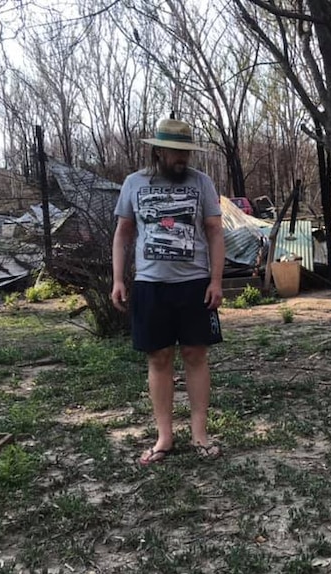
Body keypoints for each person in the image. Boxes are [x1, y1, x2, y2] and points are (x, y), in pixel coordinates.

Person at [111, 117, 225, 465]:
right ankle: (164, 437)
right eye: (175, 152)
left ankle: (200, 435)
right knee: (159, 358)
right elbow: (123, 234)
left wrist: (216, 280)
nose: (182, 159)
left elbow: (215, 232)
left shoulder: (201, 183)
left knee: (196, 355)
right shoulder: (134, 183)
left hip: (194, 286)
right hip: (150, 285)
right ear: (158, 150)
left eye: (186, 152)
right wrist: (118, 278)